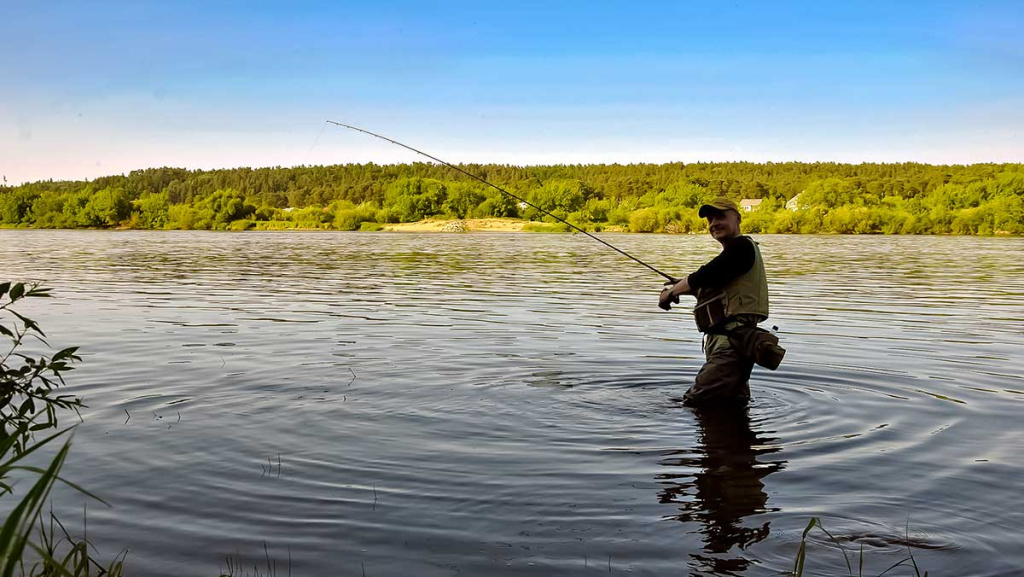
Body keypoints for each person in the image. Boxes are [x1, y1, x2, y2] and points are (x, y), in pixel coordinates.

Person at [658, 197, 773, 405]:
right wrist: (684, 286)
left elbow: (705, 274)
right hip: (734, 343)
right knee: (732, 405)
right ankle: (736, 438)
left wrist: (672, 292)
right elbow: (713, 284)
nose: (714, 224)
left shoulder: (741, 247)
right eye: (710, 220)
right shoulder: (735, 255)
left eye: (720, 216)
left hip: (732, 344)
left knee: (695, 402)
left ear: (737, 219)